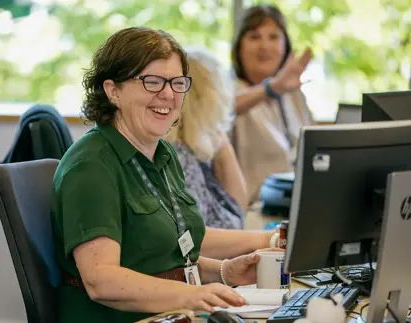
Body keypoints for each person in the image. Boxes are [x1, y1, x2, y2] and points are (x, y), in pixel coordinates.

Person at [51, 27, 281, 323]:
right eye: (152, 81)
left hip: (171, 315)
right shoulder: (92, 166)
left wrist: (224, 272)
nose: (168, 94)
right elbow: (101, 280)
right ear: (113, 91)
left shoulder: (162, 154)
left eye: (177, 82)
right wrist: (192, 295)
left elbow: (169, 254)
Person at [230, 4, 315, 206]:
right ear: (239, 47)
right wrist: (271, 88)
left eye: (274, 37)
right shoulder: (229, 90)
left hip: (297, 204)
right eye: (254, 37)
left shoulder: (293, 94)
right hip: (251, 212)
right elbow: (222, 111)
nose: (265, 46)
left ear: (286, 46)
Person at [166, 48, 247, 230]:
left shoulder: (195, 149)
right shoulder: (179, 157)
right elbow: (195, 237)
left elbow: (237, 211)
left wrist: (222, 145)